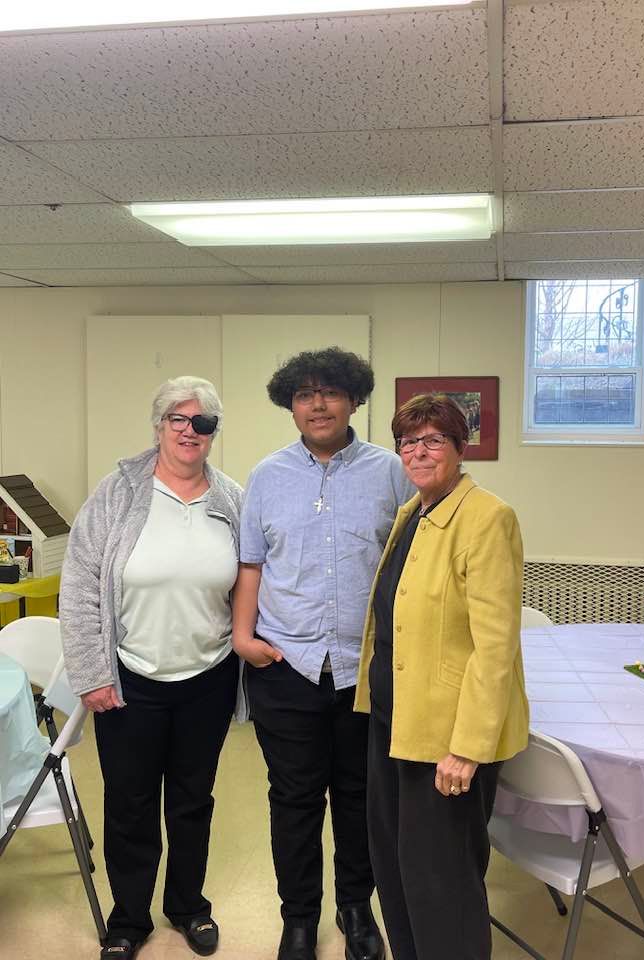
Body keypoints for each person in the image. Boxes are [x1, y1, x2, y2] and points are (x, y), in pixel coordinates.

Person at [233, 347, 414, 960]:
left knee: (361, 797)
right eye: (305, 394)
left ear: (355, 400)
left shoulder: (390, 471)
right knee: (293, 800)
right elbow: (252, 563)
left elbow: (412, 565)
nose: (317, 403)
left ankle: (357, 908)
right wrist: (242, 637)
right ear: (290, 404)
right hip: (286, 667)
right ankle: (299, 918)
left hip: (365, 672)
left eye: (330, 391)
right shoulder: (266, 476)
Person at [60, 376, 244, 960]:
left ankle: (188, 905)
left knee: (193, 799)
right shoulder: (115, 494)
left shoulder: (232, 499)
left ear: (214, 433)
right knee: (131, 802)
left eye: (203, 423)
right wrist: (91, 671)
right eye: (178, 420)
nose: (190, 431)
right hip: (130, 677)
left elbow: (253, 580)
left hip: (208, 676)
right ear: (159, 425)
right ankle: (129, 918)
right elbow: (79, 585)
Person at [354, 393, 529, 960]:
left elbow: (494, 647)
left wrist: (468, 749)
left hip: (446, 740)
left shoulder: (486, 517)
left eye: (433, 440)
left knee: (442, 882)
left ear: (460, 447)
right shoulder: (415, 512)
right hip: (394, 723)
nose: (418, 451)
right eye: (408, 441)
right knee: (397, 868)